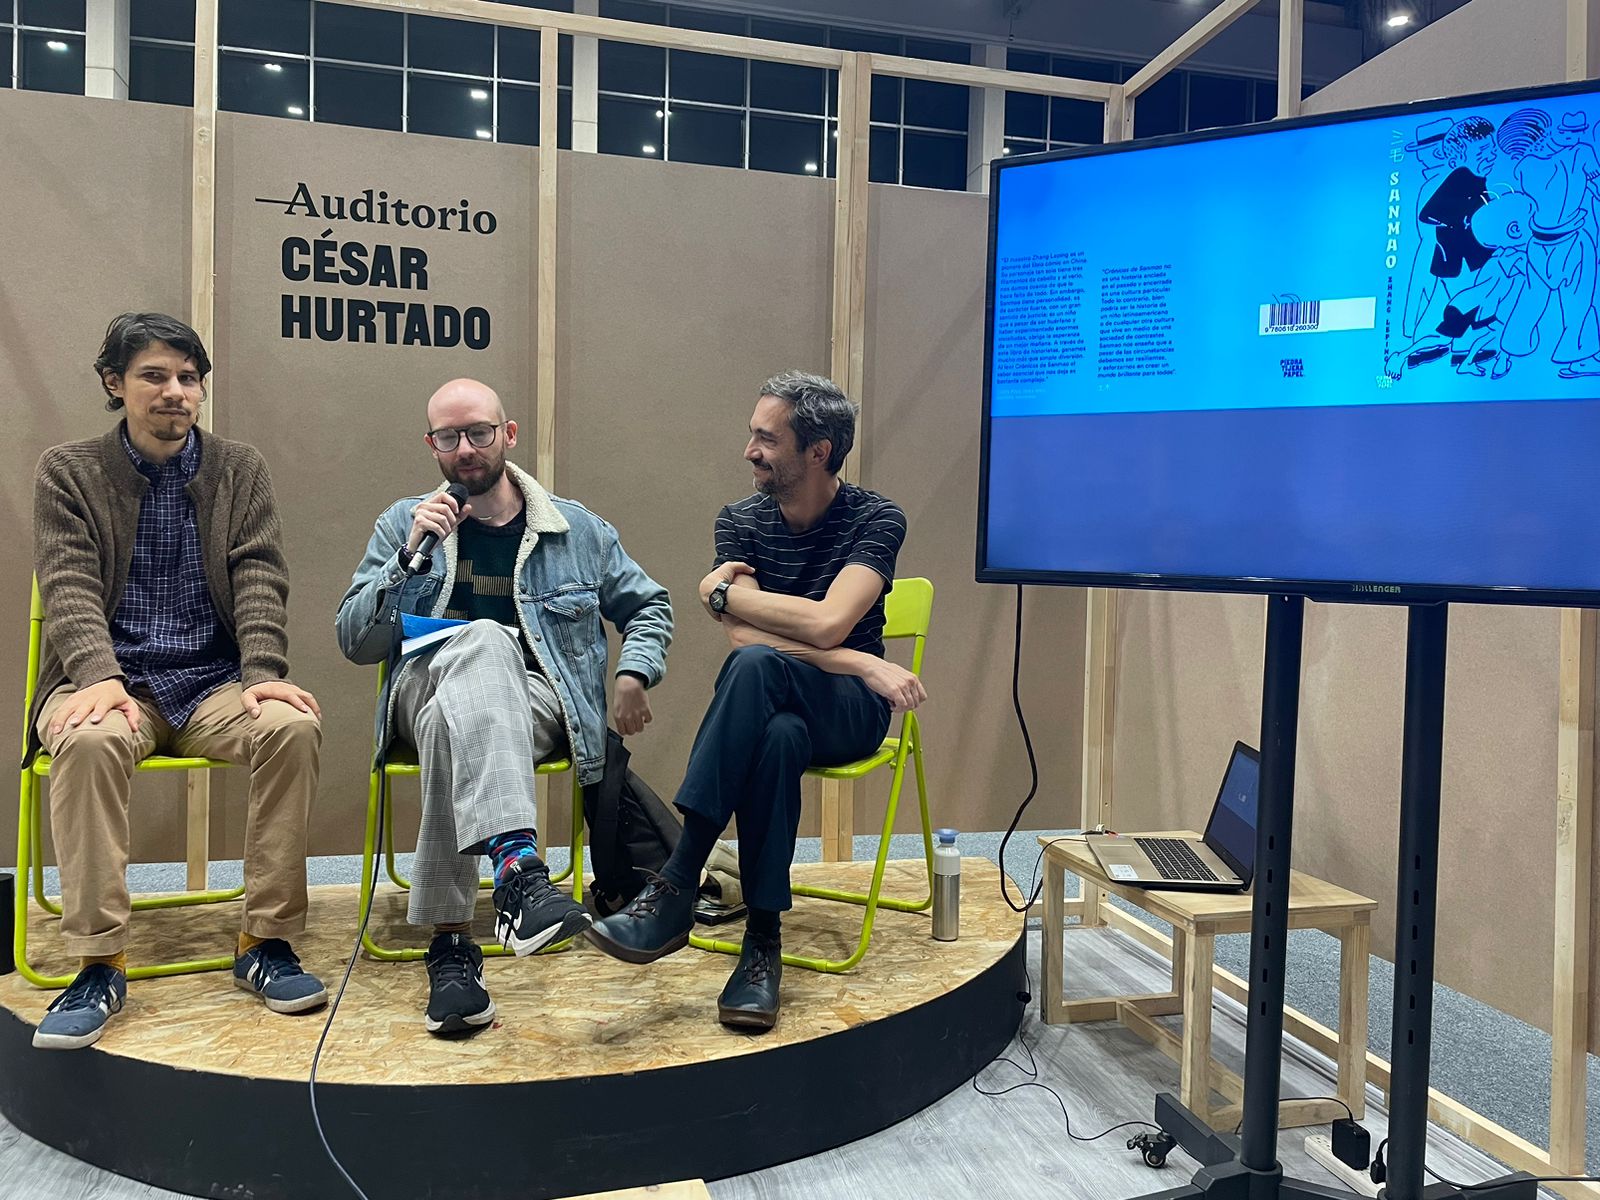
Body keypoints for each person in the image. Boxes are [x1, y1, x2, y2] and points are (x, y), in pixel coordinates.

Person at [586, 371, 926, 1031]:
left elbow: (827, 621)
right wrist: (856, 655)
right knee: (776, 734)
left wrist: (725, 594)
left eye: (767, 439)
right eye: (752, 434)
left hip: (851, 709)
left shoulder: (876, 518)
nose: (750, 451)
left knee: (757, 668)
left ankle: (677, 881)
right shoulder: (740, 520)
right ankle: (762, 944)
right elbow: (745, 637)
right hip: (795, 695)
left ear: (819, 451)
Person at [336, 378, 672, 1036]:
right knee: (483, 644)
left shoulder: (577, 530)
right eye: (449, 437)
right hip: (421, 688)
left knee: (454, 718)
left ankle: (452, 949)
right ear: (431, 445)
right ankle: (518, 869)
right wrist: (406, 559)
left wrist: (635, 672)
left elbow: (650, 605)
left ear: (508, 434)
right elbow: (354, 640)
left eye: (479, 432)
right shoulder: (403, 522)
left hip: (535, 702)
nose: (465, 447)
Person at [30, 312, 326, 1051]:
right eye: (154, 376)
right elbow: (67, 584)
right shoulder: (68, 470)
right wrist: (97, 675)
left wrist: (263, 674)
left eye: (188, 378)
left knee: (292, 726)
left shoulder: (239, 468)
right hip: (110, 682)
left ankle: (265, 942)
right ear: (114, 383)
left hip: (210, 684)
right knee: (86, 741)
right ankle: (99, 963)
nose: (175, 392)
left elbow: (260, 576)